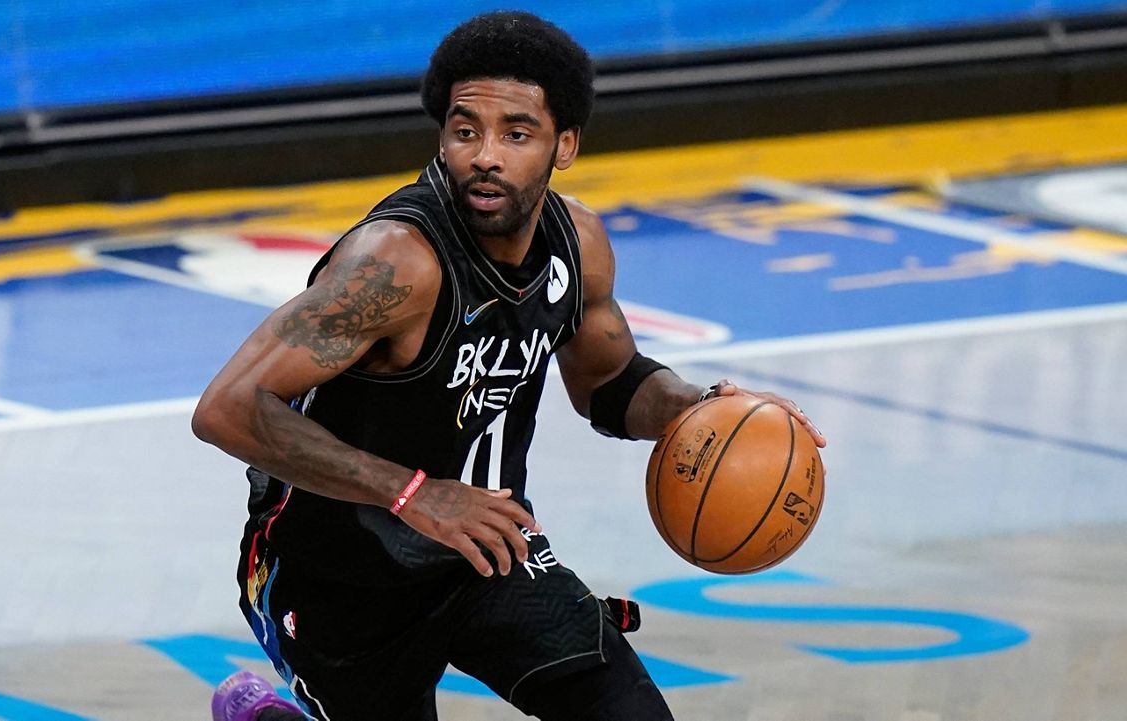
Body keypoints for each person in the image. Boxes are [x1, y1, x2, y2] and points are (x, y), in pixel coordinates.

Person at [193, 11, 826, 721]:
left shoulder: (577, 242)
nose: (485, 155)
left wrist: (697, 407)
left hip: (485, 553)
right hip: (338, 574)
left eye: (515, 134)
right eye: (466, 131)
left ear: (565, 145)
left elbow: (610, 385)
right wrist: (413, 493)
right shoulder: (396, 262)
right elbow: (227, 406)